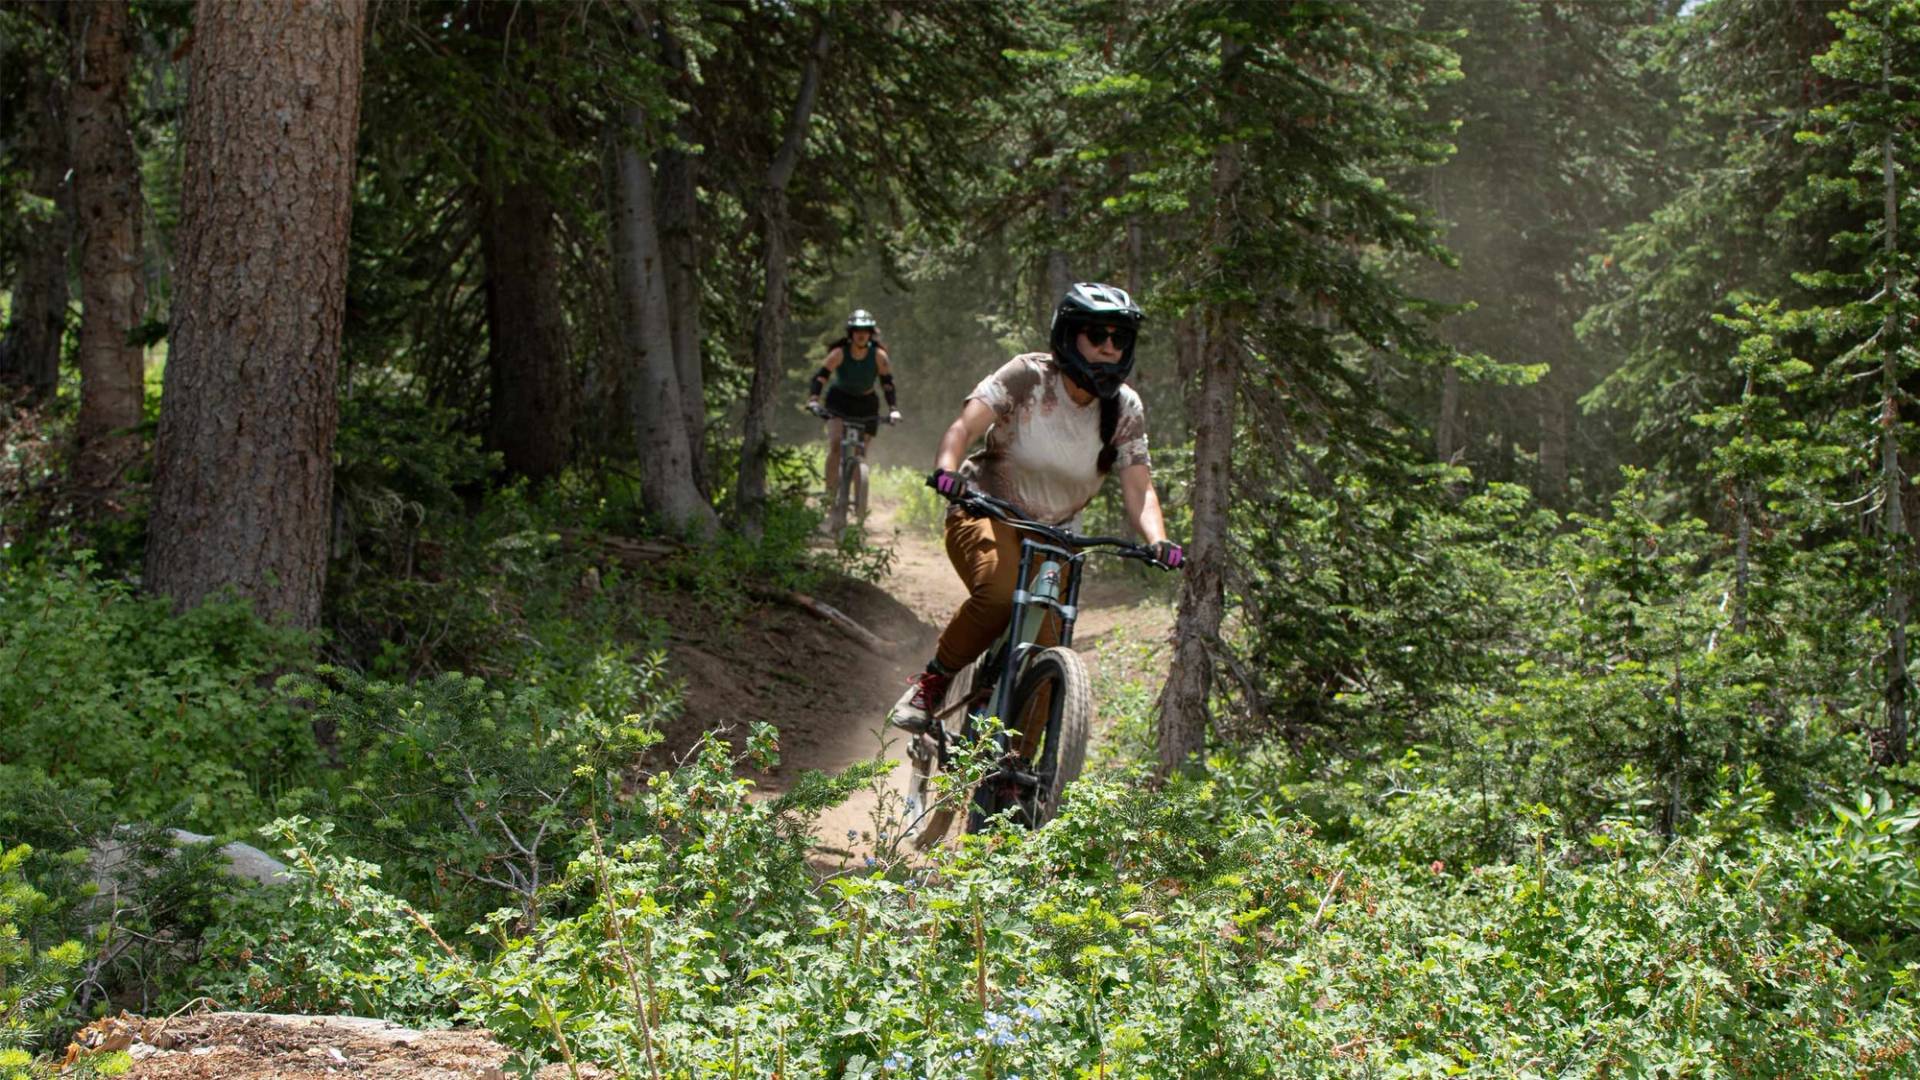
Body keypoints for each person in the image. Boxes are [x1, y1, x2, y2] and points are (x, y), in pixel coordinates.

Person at [890, 282, 1183, 733]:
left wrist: (1158, 540)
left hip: (1055, 537)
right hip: (985, 510)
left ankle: (1016, 782)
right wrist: (947, 471)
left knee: (1048, 662)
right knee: (1000, 595)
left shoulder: (1124, 406)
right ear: (1069, 334)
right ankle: (931, 683)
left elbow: (1139, 486)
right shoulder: (1027, 376)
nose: (1108, 347)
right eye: (1097, 334)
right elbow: (963, 426)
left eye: (1118, 338)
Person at [806, 309, 900, 503]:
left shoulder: (879, 356)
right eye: (857, 330)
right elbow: (821, 376)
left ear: (870, 333)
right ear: (850, 332)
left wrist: (893, 409)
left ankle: (859, 503)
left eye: (865, 330)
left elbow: (887, 384)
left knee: (860, 453)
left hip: (866, 404)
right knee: (835, 444)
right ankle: (830, 497)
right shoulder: (839, 353)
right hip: (839, 401)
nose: (861, 334)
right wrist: (814, 399)